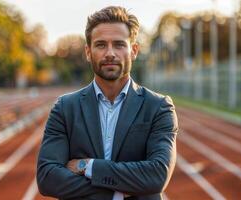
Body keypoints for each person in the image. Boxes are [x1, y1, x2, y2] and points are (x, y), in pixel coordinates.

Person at [37, 6, 178, 200]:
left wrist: (88, 166)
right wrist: (122, 190)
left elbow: (157, 175)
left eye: (119, 44)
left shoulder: (158, 107)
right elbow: (47, 178)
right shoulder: (64, 108)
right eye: (101, 45)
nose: (110, 53)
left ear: (134, 50)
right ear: (88, 52)